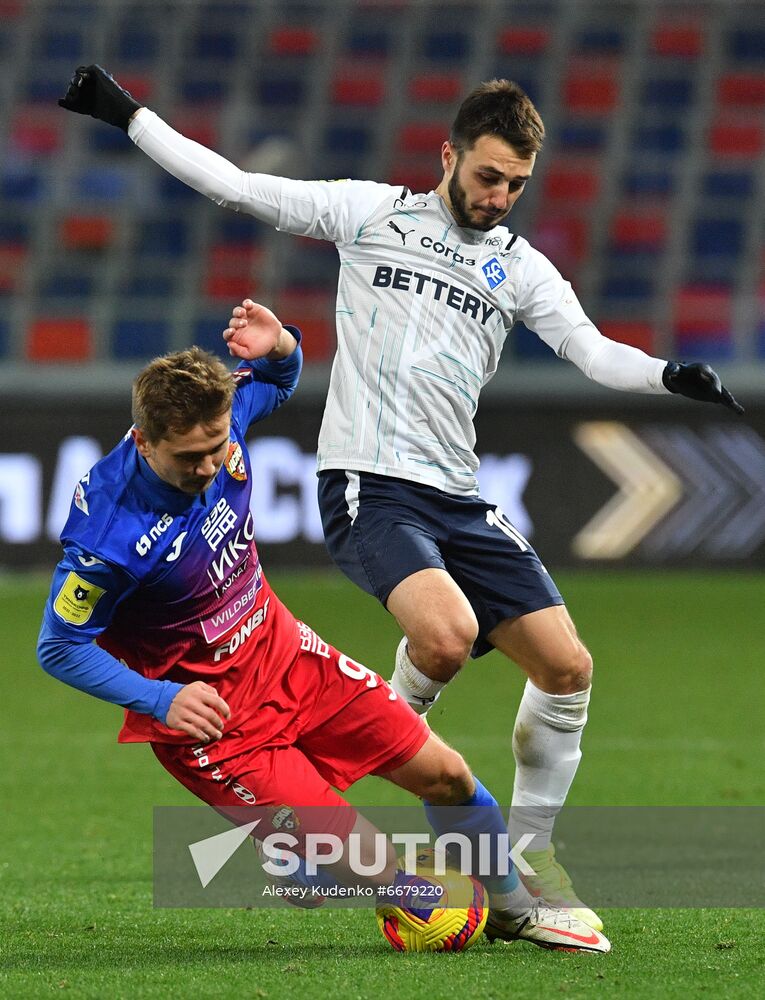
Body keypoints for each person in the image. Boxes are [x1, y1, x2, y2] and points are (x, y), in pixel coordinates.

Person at [57, 67, 743, 932]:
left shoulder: (521, 269)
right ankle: (389, 725)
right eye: (488, 176)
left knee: (568, 668)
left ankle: (521, 868)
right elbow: (231, 185)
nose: (499, 197)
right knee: (446, 634)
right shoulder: (370, 213)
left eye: (517, 185)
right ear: (448, 154)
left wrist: (665, 374)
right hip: (367, 483)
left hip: (460, 491)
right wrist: (127, 114)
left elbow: (590, 351)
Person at [36, 298, 610, 953]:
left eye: (216, 449)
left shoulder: (227, 421)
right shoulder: (107, 539)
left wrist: (279, 343)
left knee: (446, 776)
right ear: (142, 442)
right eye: (187, 458)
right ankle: (324, 861)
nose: (206, 470)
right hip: (217, 725)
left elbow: (279, 379)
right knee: (387, 876)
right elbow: (59, 647)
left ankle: (514, 910)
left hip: (288, 657)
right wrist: (161, 698)